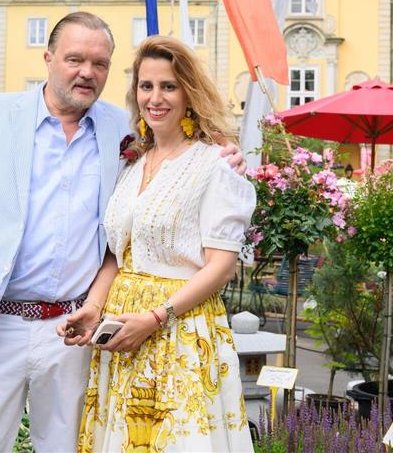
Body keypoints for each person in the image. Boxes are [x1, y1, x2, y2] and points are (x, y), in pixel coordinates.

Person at [0, 12, 244, 452]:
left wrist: (225, 153)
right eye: (75, 59)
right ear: (48, 58)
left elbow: (182, 152)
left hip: (73, 331)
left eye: (100, 64)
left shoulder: (123, 130)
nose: (87, 72)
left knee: (67, 446)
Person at [59, 36, 254, 452]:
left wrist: (155, 317)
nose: (155, 98)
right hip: (122, 329)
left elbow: (221, 266)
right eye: (146, 86)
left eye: (168, 86)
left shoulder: (215, 164)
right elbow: (118, 255)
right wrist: (93, 308)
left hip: (180, 329)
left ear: (189, 93)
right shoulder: (131, 164)